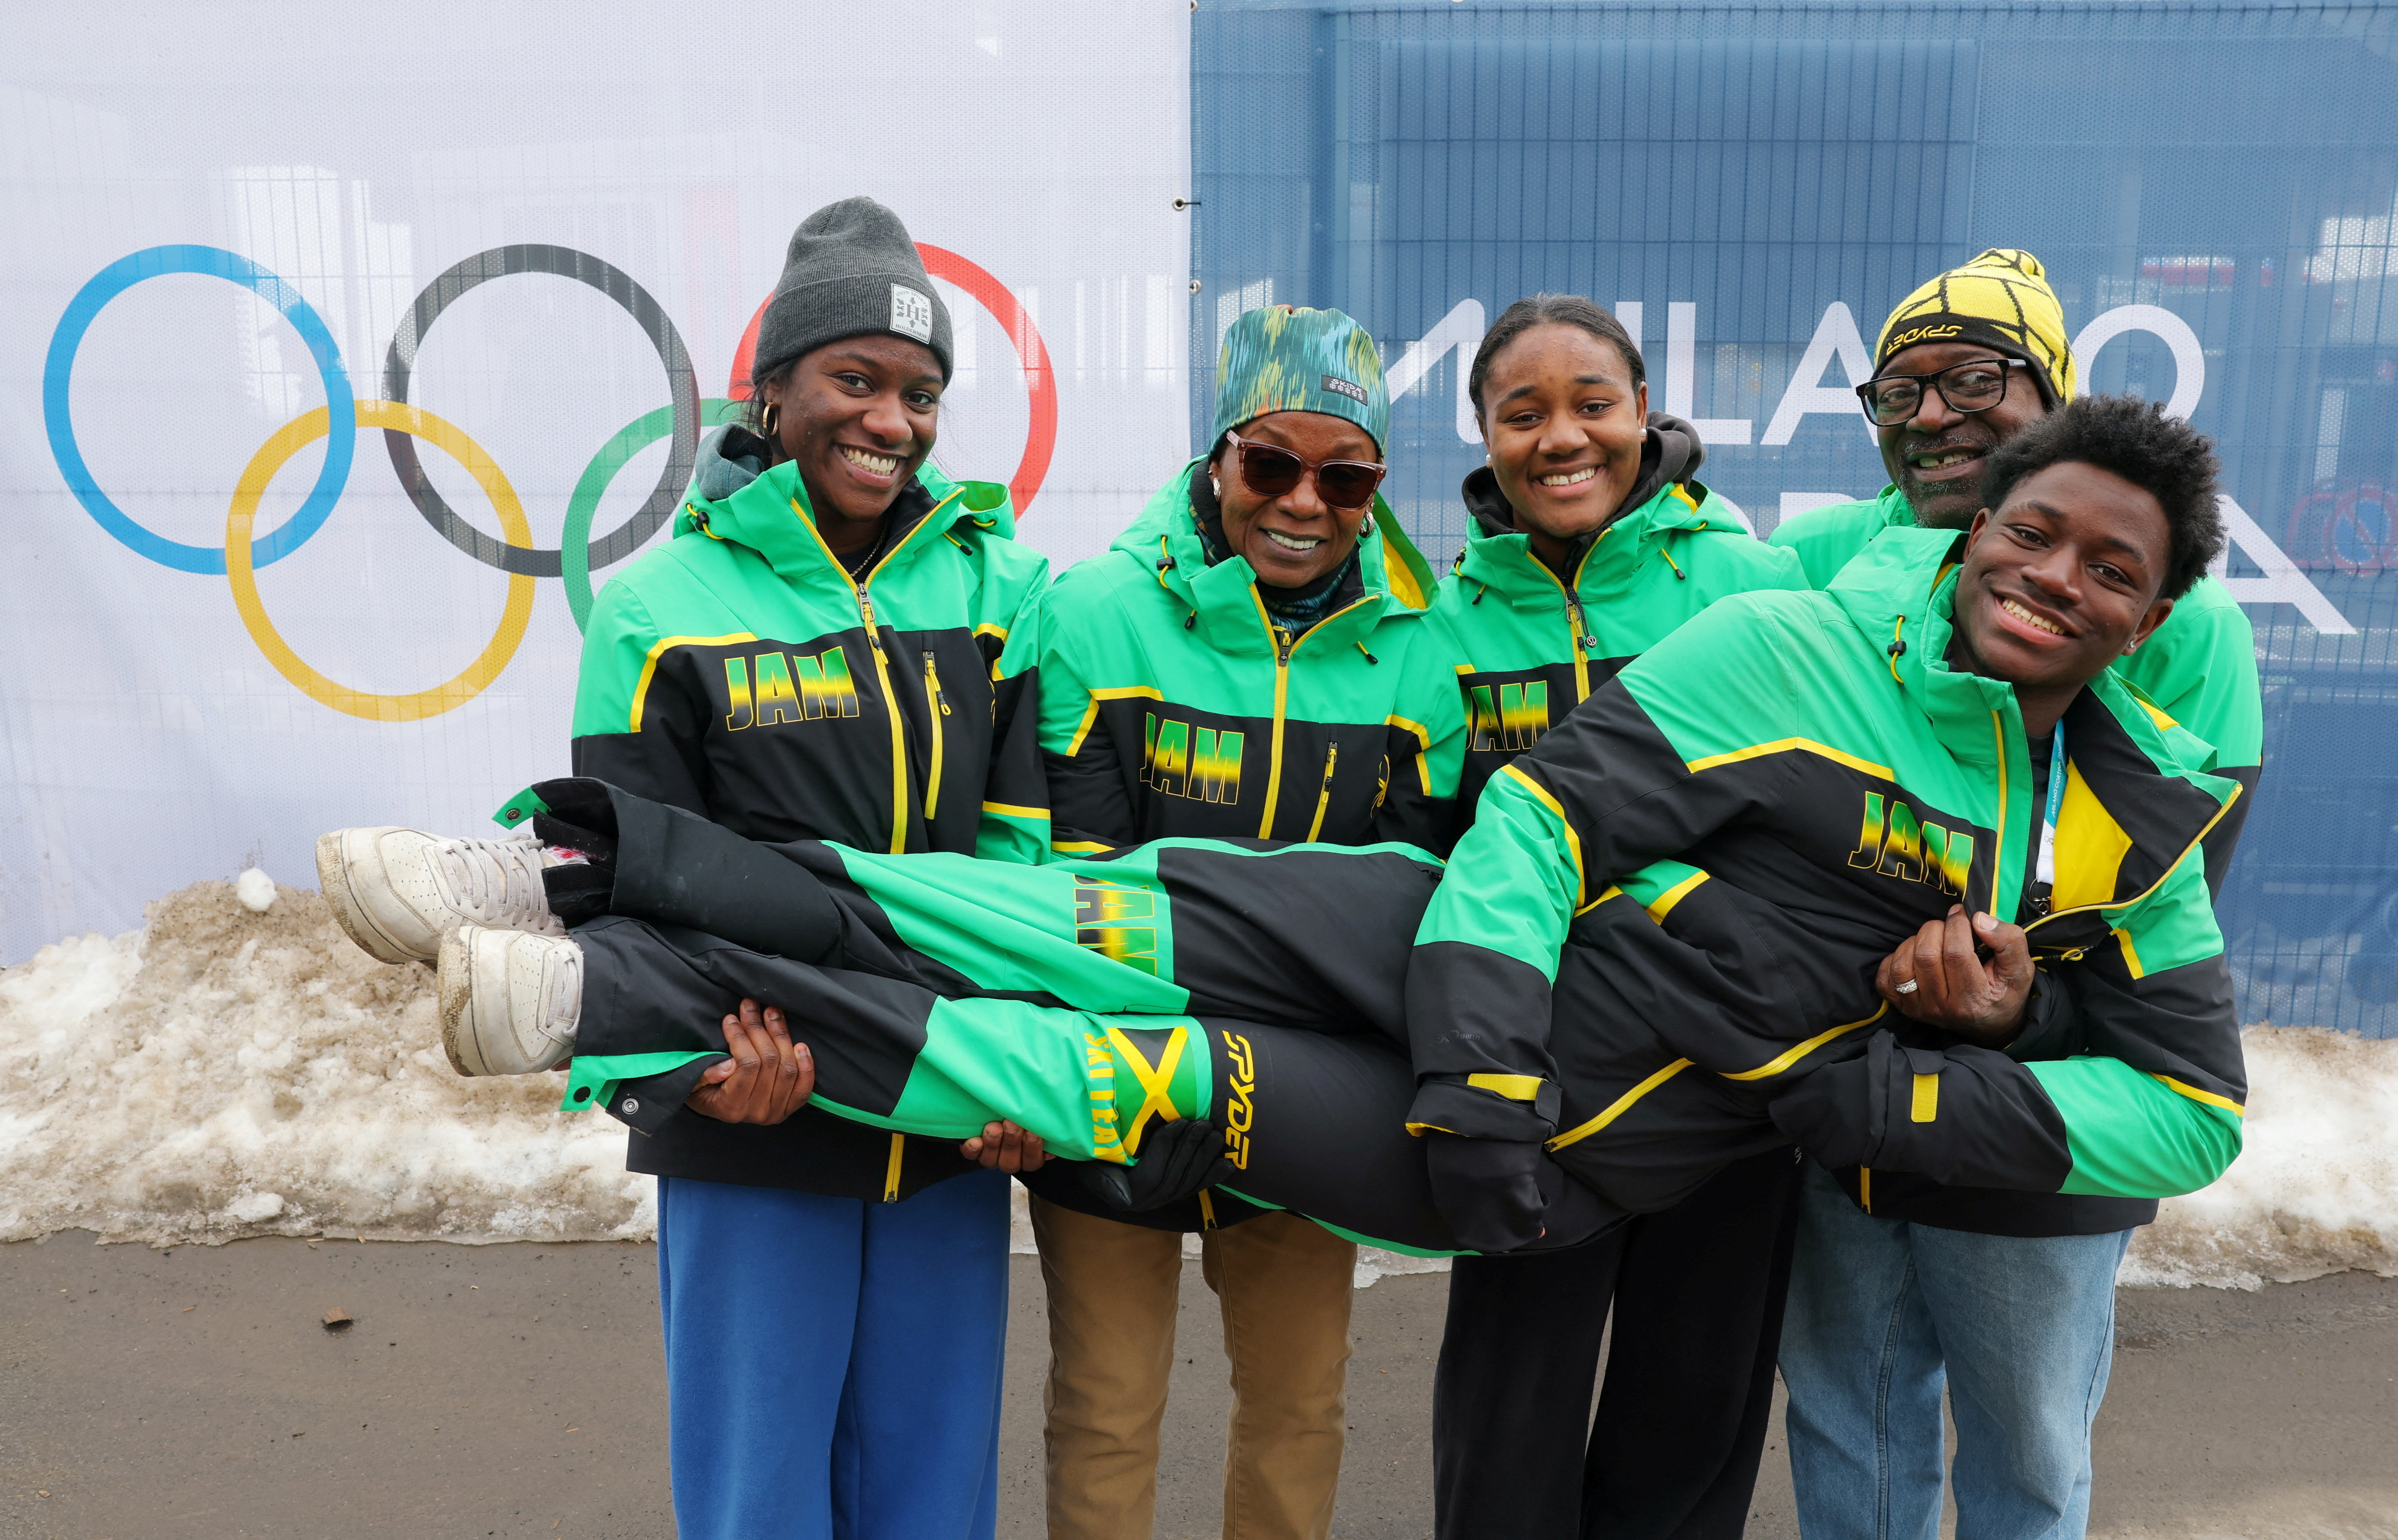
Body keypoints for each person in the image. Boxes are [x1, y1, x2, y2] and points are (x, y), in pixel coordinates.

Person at [323, 398, 2247, 1325]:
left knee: (1086, 1067)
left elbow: (2190, 1110)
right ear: (1980, 521)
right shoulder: (1793, 650)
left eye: (2112, 571)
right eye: (2038, 532)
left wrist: (1909, 1091)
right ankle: (560, 870)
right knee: (1023, 915)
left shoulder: (2129, 820)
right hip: (1454, 969)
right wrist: (1486, 1050)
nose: (2056, 580)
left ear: (2151, 612)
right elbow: (1542, 821)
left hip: (1583, 1132)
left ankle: (606, 989)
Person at [317, 197, 1052, 1540]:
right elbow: (627, 882)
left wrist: (1025, 1067)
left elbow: (1022, 867)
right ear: (772, 390)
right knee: (755, 1506)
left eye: (924, 392)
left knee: (934, 1507)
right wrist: (692, 1080)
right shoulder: (662, 609)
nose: (894, 421)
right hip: (756, 1125)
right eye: (856, 380)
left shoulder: (1000, 592)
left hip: (943, 1124)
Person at [1765, 252, 2265, 1540]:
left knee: (2025, 1466)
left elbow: (2174, 891)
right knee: (1848, 1436)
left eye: (1977, 380)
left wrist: (2024, 1016)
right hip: (1845, 1097)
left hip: (2044, 1122)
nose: (1933, 416)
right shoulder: (1819, 560)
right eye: (1901, 390)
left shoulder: (2186, 619)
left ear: (2055, 394)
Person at [1022, 302, 1466, 1540]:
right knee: (1107, 1404)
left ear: (1377, 484)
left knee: (1298, 1406)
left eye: (1347, 475)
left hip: (1306, 1076)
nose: (1305, 502)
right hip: (1116, 1063)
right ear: (1218, 455)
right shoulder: (1099, 610)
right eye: (1270, 463)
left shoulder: (1417, 652)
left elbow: (1408, 897)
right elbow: (1073, 880)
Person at [1426, 292, 1809, 1539]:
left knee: (1693, 1406)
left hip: (1728, 1066)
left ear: (1645, 412)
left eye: (1593, 404)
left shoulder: (1753, 584)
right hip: (1544, 1069)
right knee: (1510, 1404)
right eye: (1521, 412)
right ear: (1483, 433)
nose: (1562, 437)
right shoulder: (1448, 619)